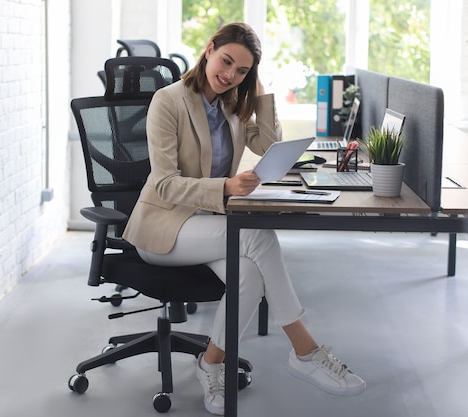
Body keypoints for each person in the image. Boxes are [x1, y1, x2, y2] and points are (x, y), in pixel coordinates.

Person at [122, 22, 365, 415]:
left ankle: (211, 364)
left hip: (210, 224)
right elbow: (165, 183)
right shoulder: (168, 101)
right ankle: (305, 350)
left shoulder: (232, 103)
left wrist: (261, 95)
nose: (229, 74)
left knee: (248, 275)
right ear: (210, 48)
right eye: (226, 61)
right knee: (259, 236)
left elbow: (268, 144)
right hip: (164, 228)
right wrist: (224, 188)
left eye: (241, 71)